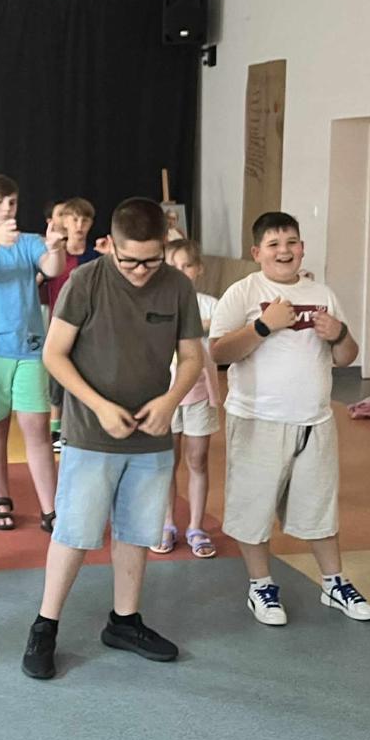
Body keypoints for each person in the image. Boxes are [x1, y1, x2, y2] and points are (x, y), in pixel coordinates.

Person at [21, 199, 203, 680]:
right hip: (90, 432)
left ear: (164, 247)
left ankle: (124, 621)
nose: (140, 271)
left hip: (150, 433)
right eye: (129, 261)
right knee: (74, 532)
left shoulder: (177, 286)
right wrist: (99, 405)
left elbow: (192, 358)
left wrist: (169, 402)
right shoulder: (86, 281)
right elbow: (54, 355)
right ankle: (45, 626)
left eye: (151, 260)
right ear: (112, 246)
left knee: (138, 531)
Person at [209, 212, 370, 627]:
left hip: (314, 420)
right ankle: (261, 585)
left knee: (319, 506)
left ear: (302, 248)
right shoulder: (243, 292)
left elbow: (346, 357)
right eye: (274, 244)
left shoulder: (321, 292)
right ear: (257, 252)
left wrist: (339, 334)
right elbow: (219, 353)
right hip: (257, 418)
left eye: (291, 243)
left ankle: (334, 582)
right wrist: (263, 326)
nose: (284, 251)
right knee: (253, 507)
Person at [0, 174, 66, 532]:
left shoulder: (29, 241)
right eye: (0, 201)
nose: (7, 208)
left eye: (13, 202)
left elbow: (52, 268)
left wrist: (55, 247)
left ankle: (50, 507)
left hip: (29, 346)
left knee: (36, 427)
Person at [155, 238, 222, 558]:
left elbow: (223, 331)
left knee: (198, 459)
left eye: (187, 266)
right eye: (172, 266)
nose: (180, 272)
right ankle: (166, 522)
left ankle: (196, 526)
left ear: (199, 269)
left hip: (199, 394)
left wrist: (202, 325)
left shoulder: (210, 305)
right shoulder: (154, 303)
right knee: (166, 461)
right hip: (164, 395)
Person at [41, 198, 101, 453]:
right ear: (63, 222)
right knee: (57, 376)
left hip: (91, 327)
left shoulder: (96, 255)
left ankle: (87, 425)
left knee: (88, 374)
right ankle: (56, 429)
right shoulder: (56, 255)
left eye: (84, 220)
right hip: (60, 324)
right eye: (74, 219)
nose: (79, 225)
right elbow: (38, 280)